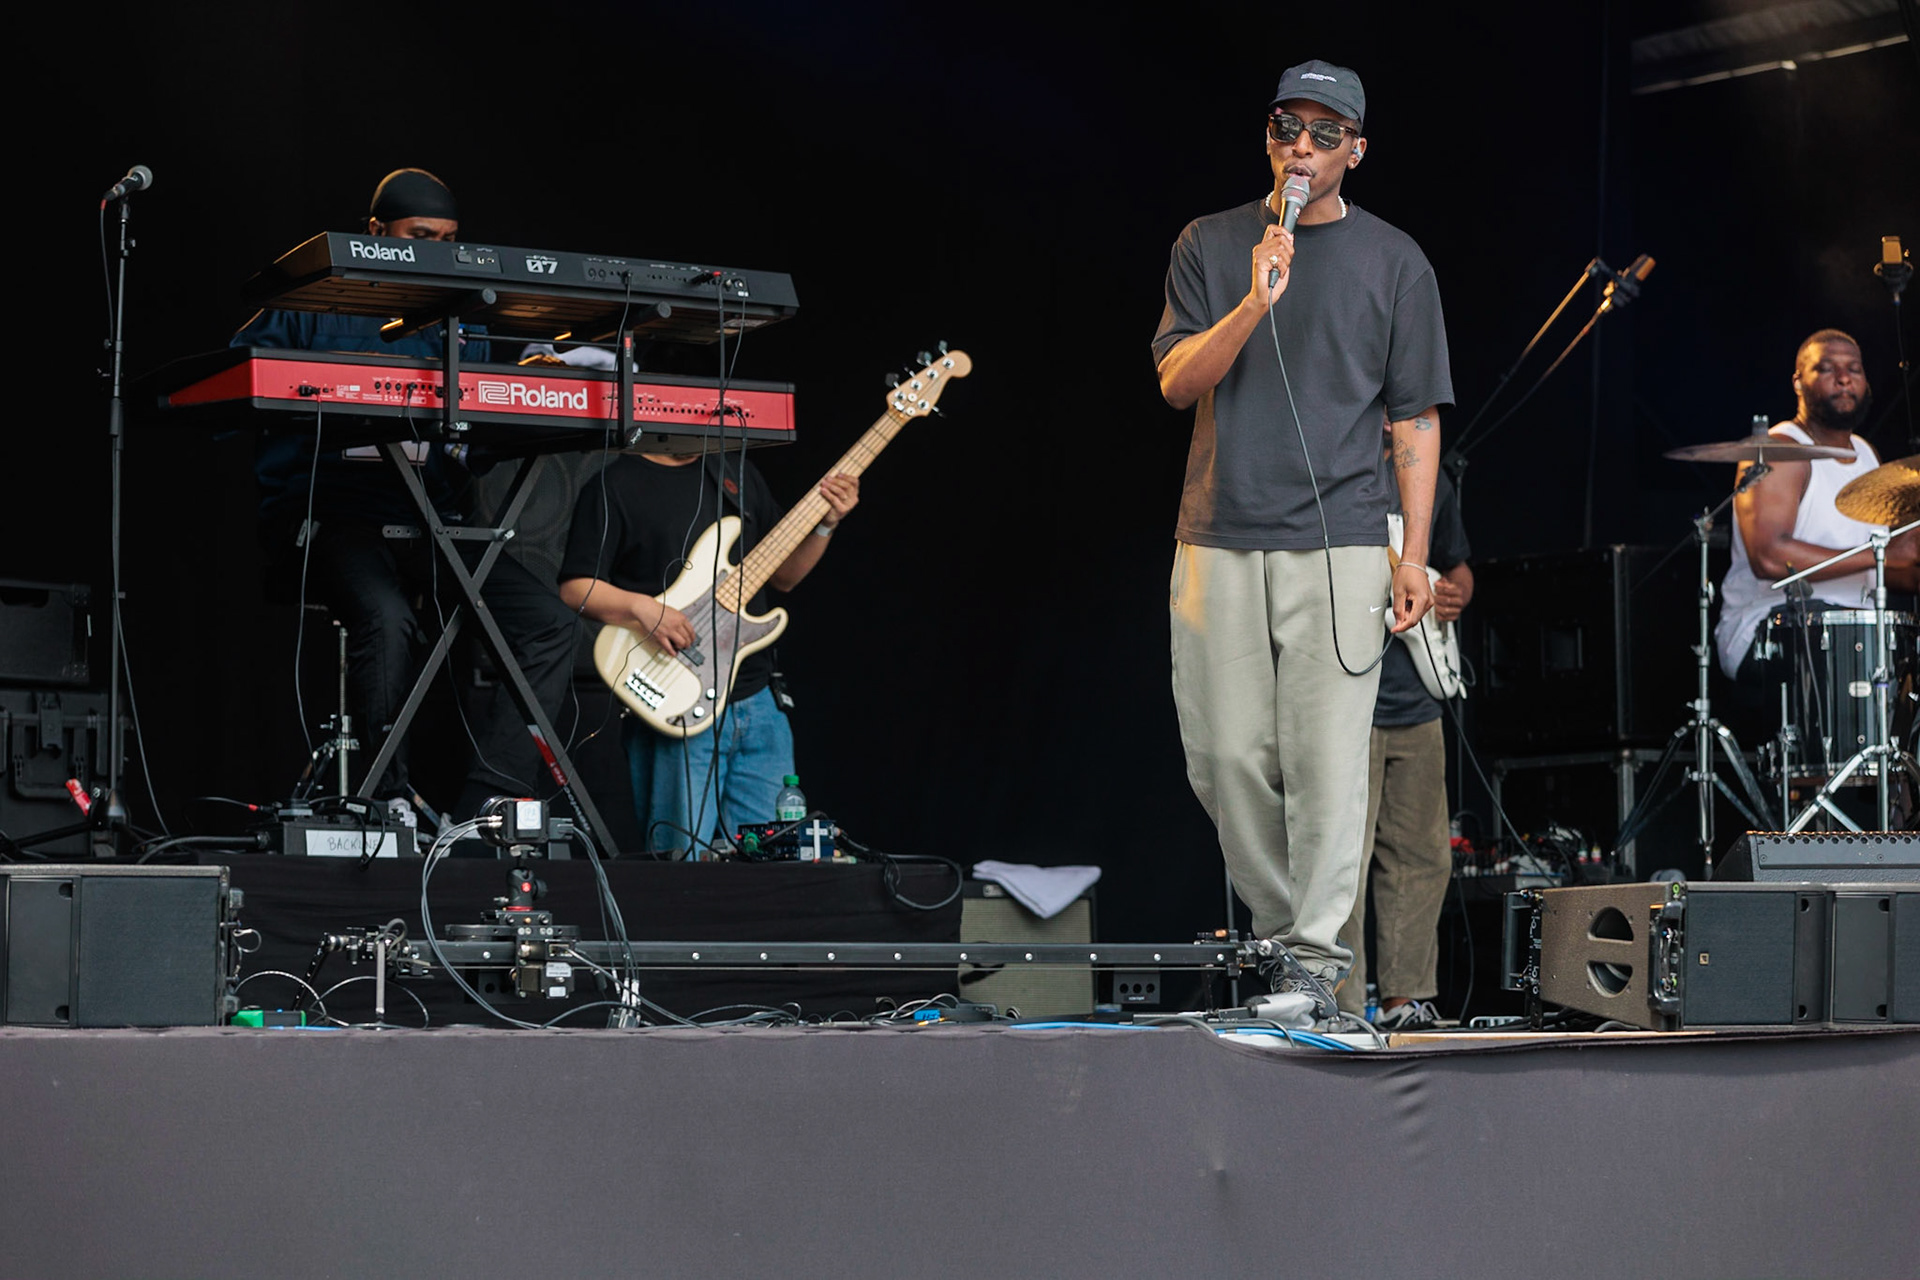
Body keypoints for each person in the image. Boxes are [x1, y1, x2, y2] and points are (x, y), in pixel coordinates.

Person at [1152, 60, 1451, 1007]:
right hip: (1218, 536)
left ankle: (1314, 967)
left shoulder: (1397, 262)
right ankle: (1287, 940)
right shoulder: (1212, 243)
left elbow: (1415, 424)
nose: (1303, 147)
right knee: (1226, 758)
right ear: (1268, 135)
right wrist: (1254, 300)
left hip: (1344, 544)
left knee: (1328, 767)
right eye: (1289, 127)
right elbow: (1176, 382)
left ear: (1356, 151)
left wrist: (1412, 555)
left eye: (1327, 134)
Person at [235, 168, 578, 818]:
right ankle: (382, 802)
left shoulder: (462, 322)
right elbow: (244, 380)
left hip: (426, 518)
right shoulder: (312, 302)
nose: (437, 253)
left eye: (449, 240)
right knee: (386, 617)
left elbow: (472, 445)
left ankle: (493, 804)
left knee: (546, 623)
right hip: (330, 512)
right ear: (376, 233)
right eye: (421, 237)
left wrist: (539, 395)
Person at [557, 452, 857, 855]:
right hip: (673, 692)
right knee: (681, 859)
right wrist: (644, 609)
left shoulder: (736, 473)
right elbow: (576, 588)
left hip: (756, 699)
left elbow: (783, 576)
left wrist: (825, 524)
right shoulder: (616, 483)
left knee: (778, 858)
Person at [1334, 460, 1472, 1031]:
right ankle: (1337, 1007)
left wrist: (1456, 593)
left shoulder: (1429, 478)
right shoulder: (1337, 469)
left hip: (1417, 703)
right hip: (1347, 699)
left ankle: (1403, 1001)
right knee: (1342, 863)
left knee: (1421, 858)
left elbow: (1459, 566)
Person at [1714, 330, 1915, 693]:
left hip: (1860, 629)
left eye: (1854, 369)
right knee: (1834, 634)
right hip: (1770, 627)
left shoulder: (1866, 454)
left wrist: (1905, 561)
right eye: (1825, 368)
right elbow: (1770, 558)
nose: (1843, 378)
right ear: (1798, 382)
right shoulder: (1778, 449)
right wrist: (1880, 554)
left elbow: (1887, 569)